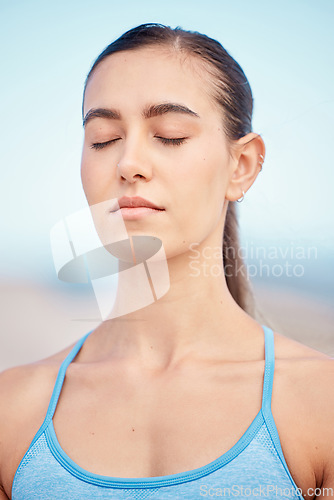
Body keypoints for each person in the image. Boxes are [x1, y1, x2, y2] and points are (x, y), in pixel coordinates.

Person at [1, 23, 333, 500]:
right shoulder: (12, 411)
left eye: (170, 135)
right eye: (103, 138)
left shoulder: (320, 404)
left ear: (241, 166)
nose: (128, 162)